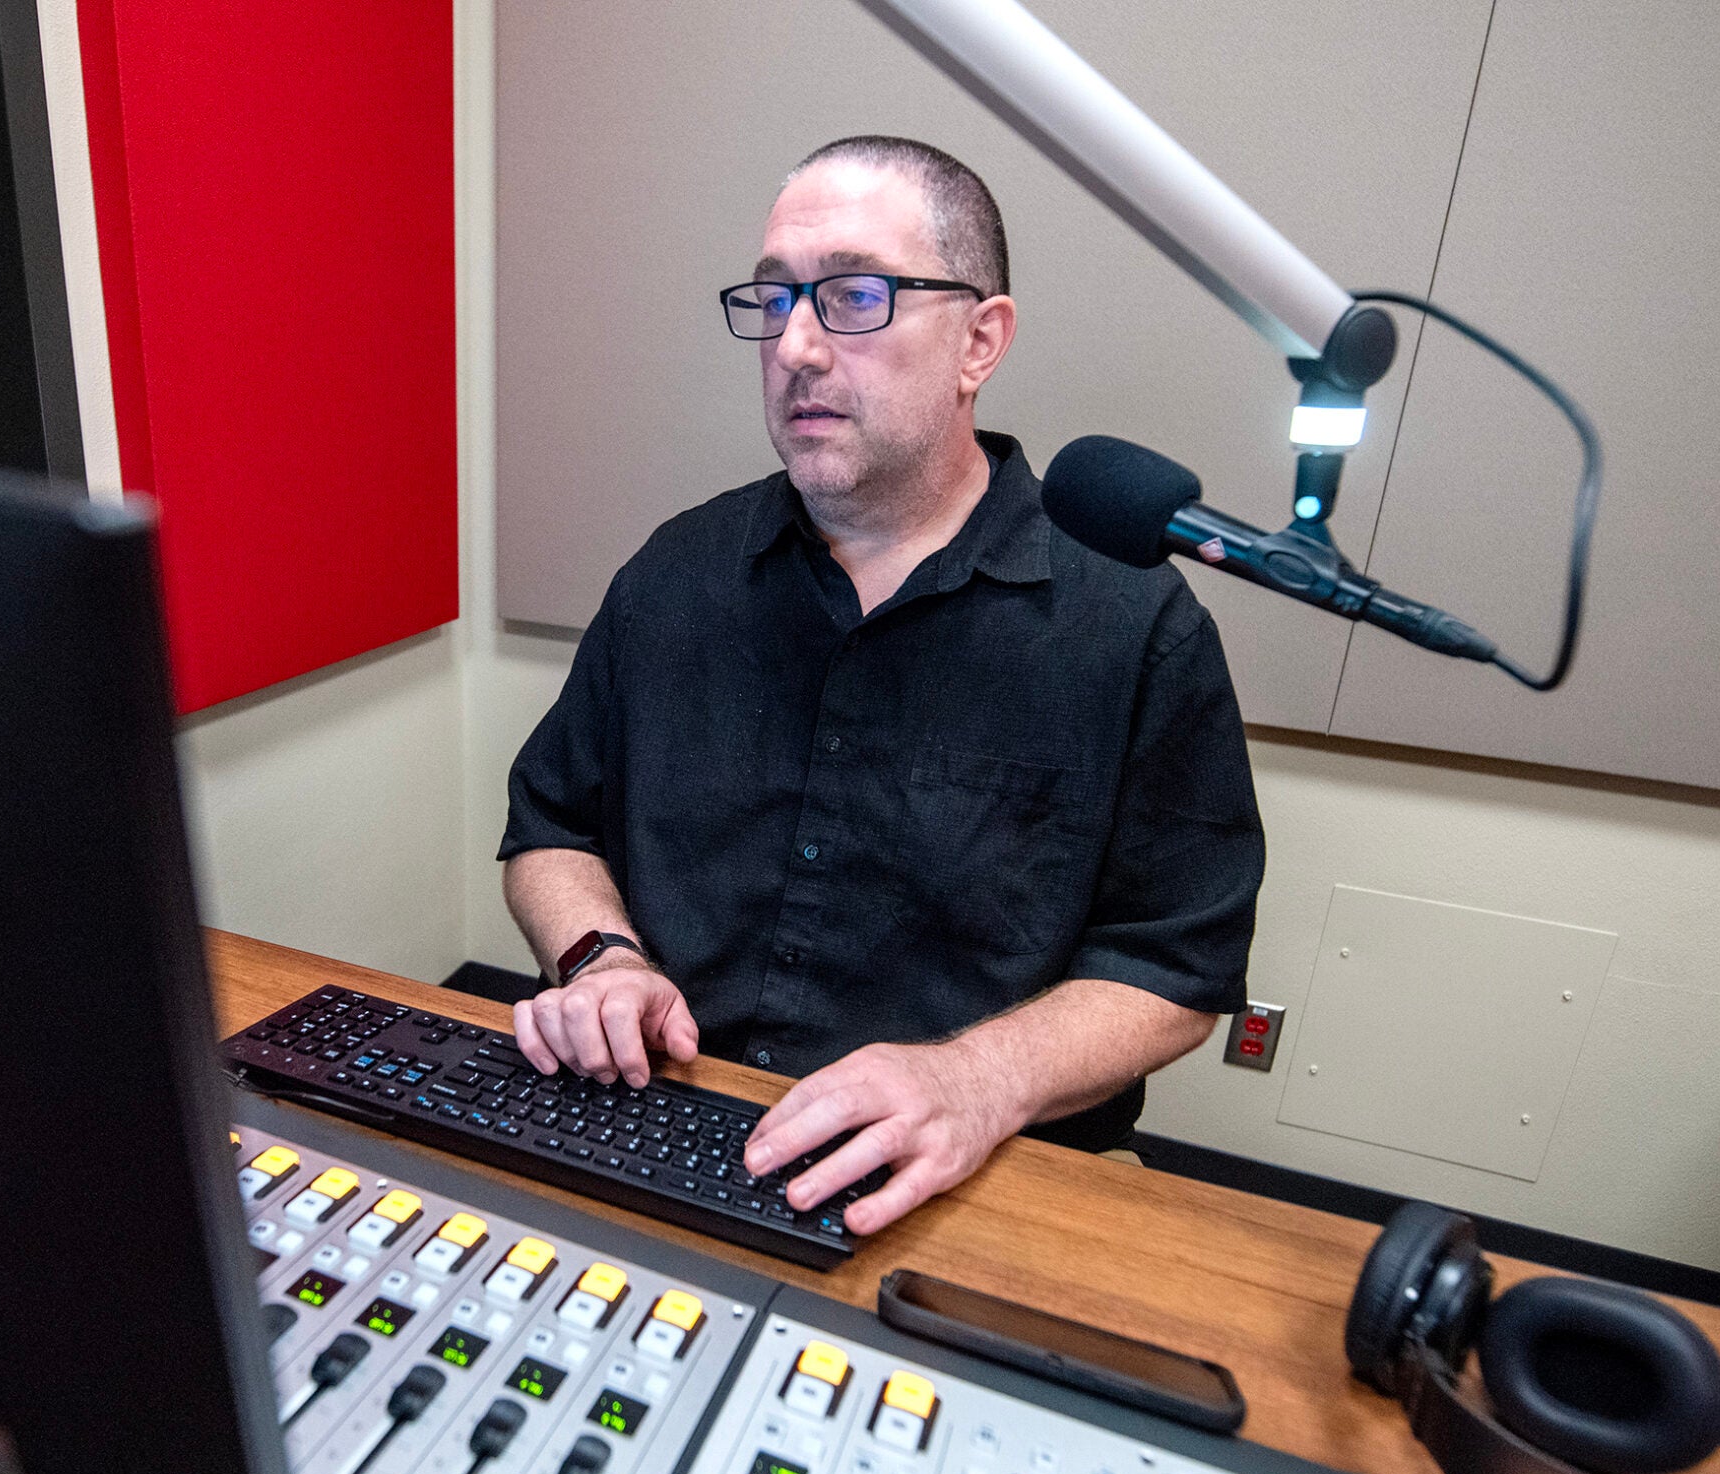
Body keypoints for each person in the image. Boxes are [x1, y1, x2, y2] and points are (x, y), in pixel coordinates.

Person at [499, 135, 1263, 1236]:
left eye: (853, 296)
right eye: (773, 300)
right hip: (666, 1126)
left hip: (973, 1179)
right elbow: (548, 826)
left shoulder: (1131, 624)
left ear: (978, 341)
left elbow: (1172, 964)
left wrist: (978, 1079)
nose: (796, 345)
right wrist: (597, 957)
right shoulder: (676, 573)